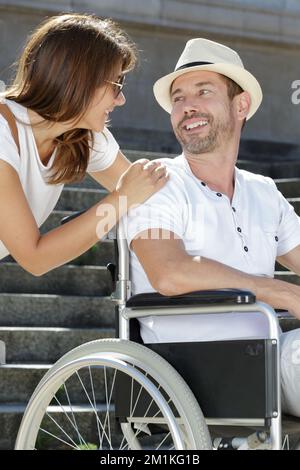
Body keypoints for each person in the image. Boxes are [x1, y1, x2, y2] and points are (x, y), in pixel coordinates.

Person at [124, 38, 300, 417]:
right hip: (195, 369)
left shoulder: (263, 192)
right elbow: (169, 272)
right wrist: (279, 291)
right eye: (178, 98)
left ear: (241, 106)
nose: (188, 106)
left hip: (271, 356)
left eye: (203, 91)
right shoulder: (155, 184)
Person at [0, 13, 168, 274]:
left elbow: (151, 192)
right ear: (79, 81)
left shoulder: (79, 135)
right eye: (116, 85)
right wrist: (122, 199)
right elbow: (35, 258)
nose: (120, 100)